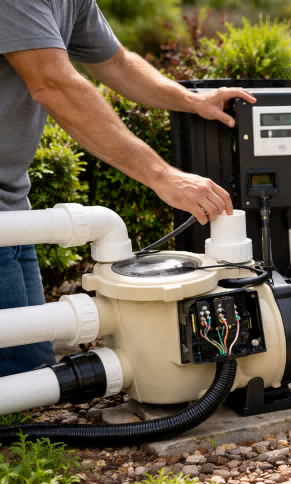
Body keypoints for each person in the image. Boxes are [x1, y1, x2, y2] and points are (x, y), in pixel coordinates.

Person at [0, 0, 256, 377]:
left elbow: (117, 63)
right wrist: (163, 177)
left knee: (31, 368)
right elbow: (52, 83)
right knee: (18, 375)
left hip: (12, 200)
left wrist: (194, 101)